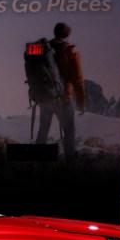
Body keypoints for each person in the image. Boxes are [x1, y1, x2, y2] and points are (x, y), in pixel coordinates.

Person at [34, 22, 86, 161]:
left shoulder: (44, 49)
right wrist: (81, 101)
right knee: (69, 132)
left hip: (45, 97)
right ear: (68, 35)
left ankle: (38, 165)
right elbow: (78, 79)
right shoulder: (71, 52)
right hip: (63, 99)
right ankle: (69, 166)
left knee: (43, 130)